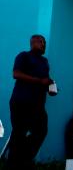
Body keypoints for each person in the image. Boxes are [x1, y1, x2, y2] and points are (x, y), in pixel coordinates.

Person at [7, 35, 55, 169]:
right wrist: (40, 81)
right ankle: (13, 165)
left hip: (38, 104)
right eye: (41, 42)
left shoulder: (44, 61)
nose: (44, 44)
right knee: (19, 133)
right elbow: (16, 74)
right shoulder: (23, 56)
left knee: (41, 131)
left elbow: (44, 80)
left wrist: (50, 87)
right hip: (21, 102)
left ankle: (23, 159)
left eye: (44, 42)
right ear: (33, 43)